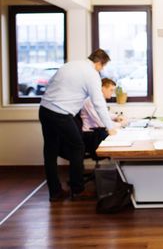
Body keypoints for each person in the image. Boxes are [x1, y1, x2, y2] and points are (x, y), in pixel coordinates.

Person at [39, 49, 117, 202]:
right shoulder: (92, 73)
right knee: (78, 147)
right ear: (99, 63)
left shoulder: (70, 65)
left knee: (50, 151)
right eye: (102, 67)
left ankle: (55, 193)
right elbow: (98, 102)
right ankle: (78, 190)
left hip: (45, 109)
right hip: (61, 113)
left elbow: (51, 84)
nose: (101, 71)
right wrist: (110, 127)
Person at [80, 77, 127, 144]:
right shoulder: (90, 101)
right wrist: (120, 124)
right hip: (91, 134)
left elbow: (105, 114)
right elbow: (101, 122)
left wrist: (117, 117)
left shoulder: (100, 100)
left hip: (98, 131)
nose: (112, 93)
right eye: (111, 90)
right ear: (103, 88)